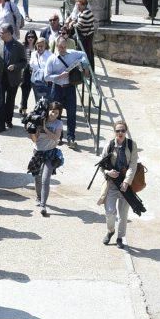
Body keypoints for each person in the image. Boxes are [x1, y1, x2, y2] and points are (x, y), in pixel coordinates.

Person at [96, 119, 139, 247]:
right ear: (114, 132)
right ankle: (110, 231)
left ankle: (120, 237)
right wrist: (108, 172)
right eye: (117, 131)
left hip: (126, 186)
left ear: (126, 131)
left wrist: (127, 181)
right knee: (110, 212)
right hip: (112, 185)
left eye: (123, 131)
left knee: (123, 215)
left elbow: (133, 165)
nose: (120, 133)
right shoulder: (109, 145)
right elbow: (101, 165)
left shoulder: (132, 145)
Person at [43, 34, 87, 148]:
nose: (62, 49)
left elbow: (83, 54)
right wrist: (58, 76)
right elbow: (46, 77)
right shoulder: (52, 58)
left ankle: (71, 138)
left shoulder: (72, 54)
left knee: (72, 114)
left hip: (70, 88)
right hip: (57, 88)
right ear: (57, 46)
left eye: (64, 47)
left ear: (66, 45)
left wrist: (84, 65)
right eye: (60, 47)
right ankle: (59, 137)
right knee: (56, 114)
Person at [27, 100, 64, 218]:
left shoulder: (59, 124)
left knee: (45, 179)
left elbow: (56, 138)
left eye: (56, 113)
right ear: (48, 110)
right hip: (38, 152)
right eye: (52, 111)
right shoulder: (40, 120)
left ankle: (43, 205)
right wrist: (32, 130)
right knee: (37, 177)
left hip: (50, 153)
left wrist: (45, 128)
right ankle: (38, 197)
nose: (53, 114)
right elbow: (34, 139)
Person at [0, 26, 27, 132]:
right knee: (0, 101)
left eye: (2, 32)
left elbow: (24, 62)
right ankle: (0, 125)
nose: (0, 34)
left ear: (10, 33)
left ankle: (8, 120)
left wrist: (15, 66)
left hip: (13, 78)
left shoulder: (19, 46)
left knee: (10, 101)